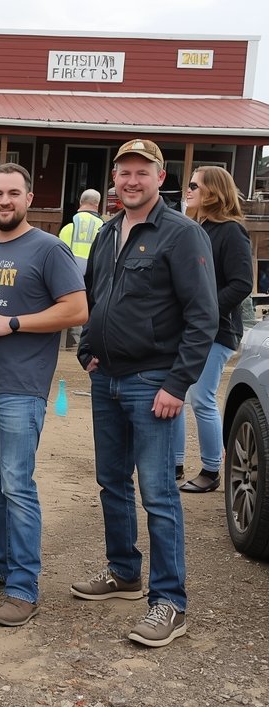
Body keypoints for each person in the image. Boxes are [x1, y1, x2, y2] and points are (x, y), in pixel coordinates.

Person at [72, 139, 217, 648]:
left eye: (141, 172)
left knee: (158, 493)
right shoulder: (110, 231)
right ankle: (124, 573)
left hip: (153, 383)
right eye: (123, 172)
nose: (131, 181)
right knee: (111, 481)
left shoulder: (182, 234)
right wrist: (87, 349)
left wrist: (177, 384)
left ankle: (170, 602)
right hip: (106, 378)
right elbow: (97, 297)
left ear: (161, 177)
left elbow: (203, 317)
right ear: (114, 178)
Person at [0, 162, 87, 627]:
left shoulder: (50, 249)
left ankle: (23, 587)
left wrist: (14, 323)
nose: (4, 201)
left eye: (13, 193)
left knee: (17, 484)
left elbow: (76, 309)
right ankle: (0, 563)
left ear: (29, 198)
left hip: (21, 388)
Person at [174, 166, 252, 492]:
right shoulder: (197, 228)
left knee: (201, 397)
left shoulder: (232, 231)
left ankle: (211, 470)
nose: (187, 189)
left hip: (218, 330)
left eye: (194, 184)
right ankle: (173, 462)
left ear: (213, 192)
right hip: (190, 329)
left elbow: (242, 284)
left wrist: (205, 310)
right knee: (175, 392)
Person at [58, 189, 104, 348]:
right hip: (95, 275)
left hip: (71, 273)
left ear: (80, 203)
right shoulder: (103, 227)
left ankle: (70, 341)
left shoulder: (67, 228)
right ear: (97, 204)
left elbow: (60, 254)